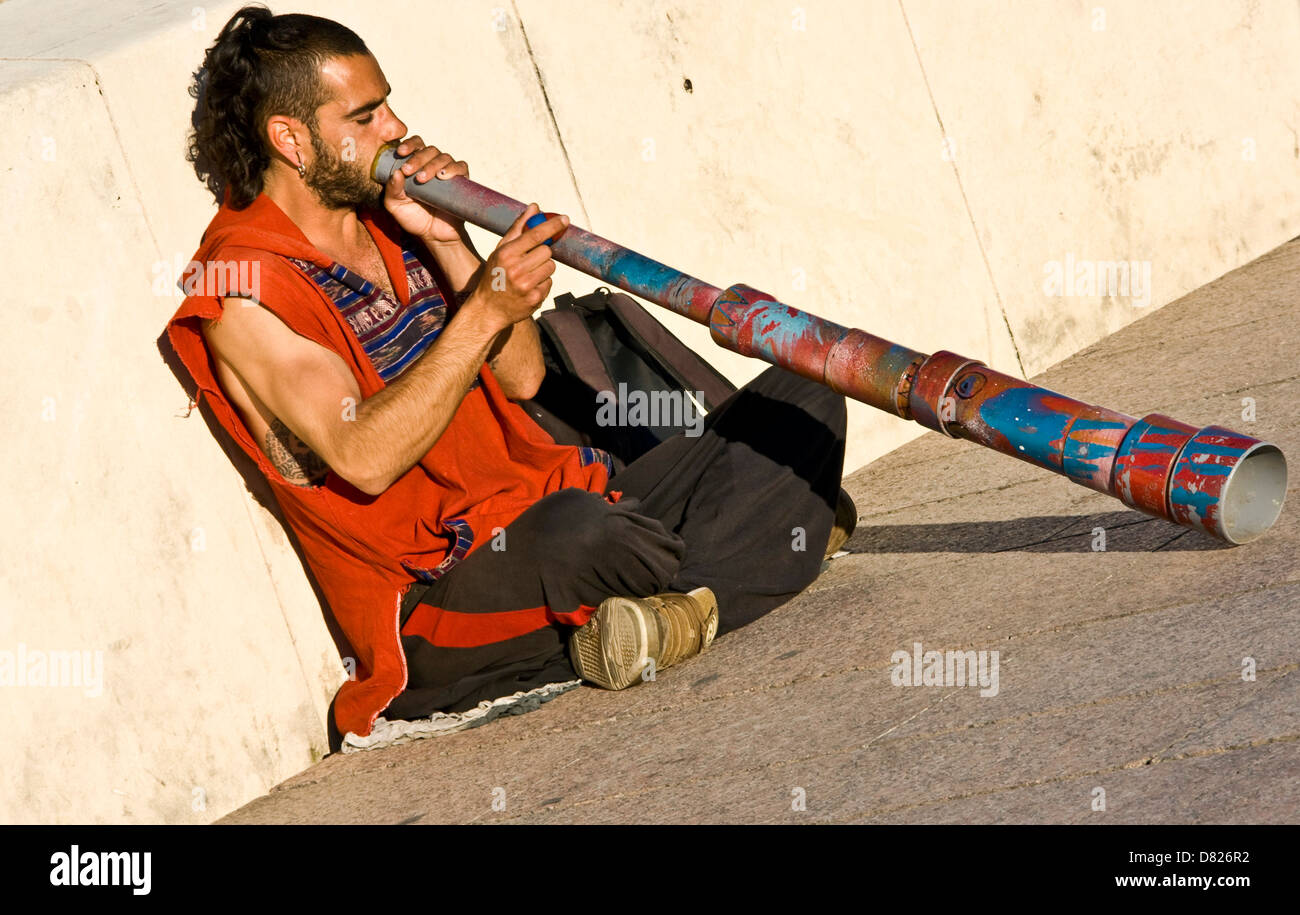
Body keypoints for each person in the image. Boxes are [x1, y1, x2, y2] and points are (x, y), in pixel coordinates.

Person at [166, 6, 849, 740]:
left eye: (388, 104)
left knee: (804, 396)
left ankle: (684, 607)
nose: (394, 129)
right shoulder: (244, 289)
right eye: (364, 116)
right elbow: (362, 457)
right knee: (590, 534)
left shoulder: (395, 220)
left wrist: (450, 240)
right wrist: (483, 309)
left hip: (561, 496)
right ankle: (765, 544)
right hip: (439, 591)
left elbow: (522, 376)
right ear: (291, 139)